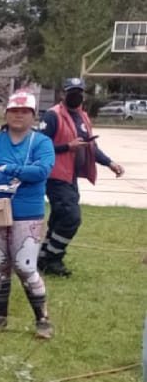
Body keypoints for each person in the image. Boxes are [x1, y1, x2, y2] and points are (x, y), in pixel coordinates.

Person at [0, 91, 56, 339]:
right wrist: (21, 173)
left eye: (24, 111)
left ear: (33, 116)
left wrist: (8, 168)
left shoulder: (41, 142)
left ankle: (42, 319)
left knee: (24, 264)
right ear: (6, 113)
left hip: (27, 212)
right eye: (14, 111)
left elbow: (41, 171)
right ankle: (0, 316)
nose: (19, 115)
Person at [37, 77, 125, 277]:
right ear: (63, 94)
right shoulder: (52, 116)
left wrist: (109, 163)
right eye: (71, 91)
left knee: (60, 218)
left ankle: (43, 257)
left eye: (79, 91)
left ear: (84, 94)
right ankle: (53, 259)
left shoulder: (83, 116)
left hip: (71, 176)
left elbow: (90, 146)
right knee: (71, 218)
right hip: (55, 175)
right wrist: (68, 146)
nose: (76, 95)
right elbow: (39, 145)